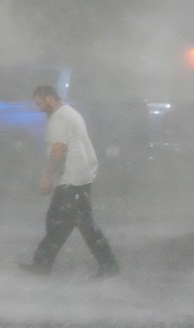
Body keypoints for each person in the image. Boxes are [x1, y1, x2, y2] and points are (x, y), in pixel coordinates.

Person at [19, 84, 119, 278]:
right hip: (77, 177)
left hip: (73, 179)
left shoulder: (60, 117)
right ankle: (42, 264)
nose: (39, 109)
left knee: (82, 225)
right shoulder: (69, 113)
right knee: (58, 221)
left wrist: (46, 177)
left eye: (40, 104)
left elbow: (59, 150)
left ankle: (109, 267)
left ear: (49, 98)